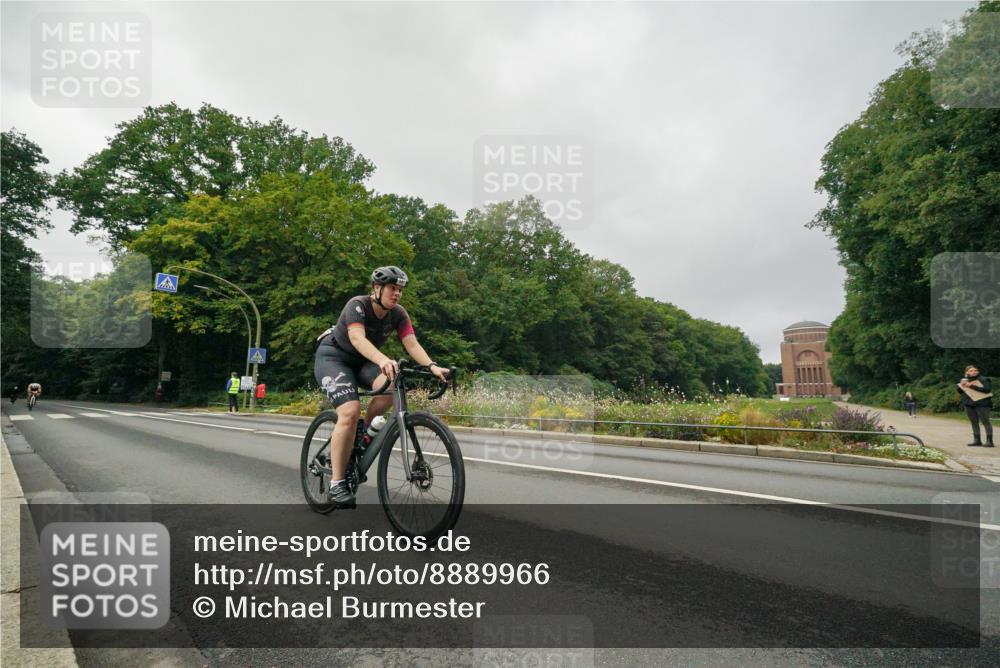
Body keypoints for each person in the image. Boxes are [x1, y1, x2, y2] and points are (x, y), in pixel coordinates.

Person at [314, 266, 448, 508]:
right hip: (335, 357)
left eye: (400, 290)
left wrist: (432, 366)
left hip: (363, 361)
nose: (397, 294)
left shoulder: (398, 314)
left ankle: (362, 433)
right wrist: (383, 360)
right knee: (350, 411)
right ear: (377, 288)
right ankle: (336, 484)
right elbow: (357, 339)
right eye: (392, 288)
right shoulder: (357, 305)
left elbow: (411, 343)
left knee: (391, 389)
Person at [958, 365, 993, 447]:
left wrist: (971, 385)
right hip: (969, 404)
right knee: (974, 422)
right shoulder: (965, 380)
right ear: (967, 372)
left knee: (985, 421)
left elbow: (987, 390)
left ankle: (989, 441)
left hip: (982, 404)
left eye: (975, 370)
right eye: (971, 371)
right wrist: (961, 385)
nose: (974, 372)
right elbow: (960, 392)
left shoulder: (984, 379)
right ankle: (977, 440)